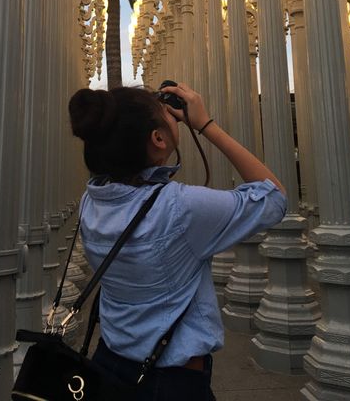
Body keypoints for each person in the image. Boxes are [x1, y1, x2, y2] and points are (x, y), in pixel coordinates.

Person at [68, 82, 287, 401]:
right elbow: (274, 197)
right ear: (157, 139)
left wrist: (150, 117)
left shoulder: (92, 201)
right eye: (165, 116)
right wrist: (206, 125)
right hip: (169, 380)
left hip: (109, 361)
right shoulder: (180, 208)